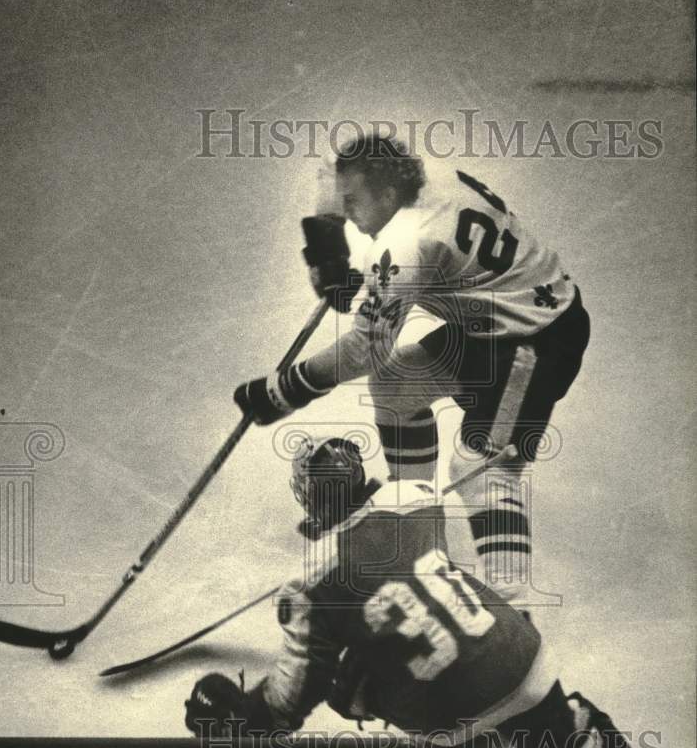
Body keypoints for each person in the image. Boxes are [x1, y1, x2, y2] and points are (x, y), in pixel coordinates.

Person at [185, 436, 694, 748]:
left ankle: (454, 711)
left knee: (348, 665)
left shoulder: (308, 584)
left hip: (441, 720)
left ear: (308, 501)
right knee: (570, 731)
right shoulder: (419, 495)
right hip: (515, 662)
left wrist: (237, 720)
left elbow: (285, 705)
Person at [233, 135, 591, 606]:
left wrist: (283, 391)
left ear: (386, 195)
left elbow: (365, 349)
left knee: (482, 468)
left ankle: (514, 610)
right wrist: (327, 246)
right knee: (397, 387)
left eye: (353, 204)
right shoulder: (423, 177)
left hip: (539, 342)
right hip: (494, 325)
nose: (348, 213)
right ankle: (426, 552)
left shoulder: (406, 243)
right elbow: (334, 170)